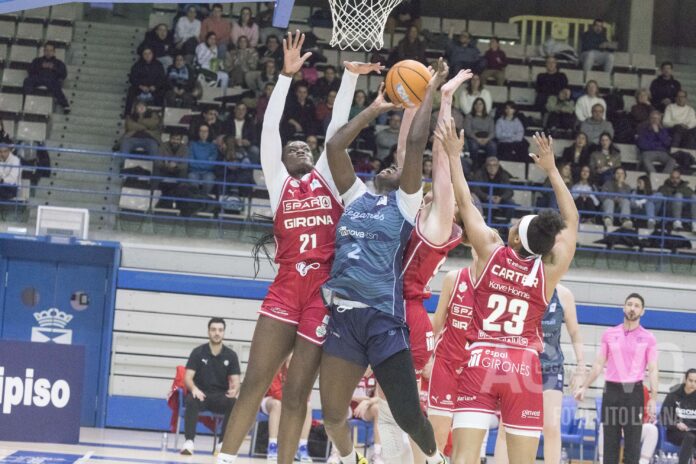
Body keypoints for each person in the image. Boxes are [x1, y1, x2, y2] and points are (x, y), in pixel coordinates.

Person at [215, 32, 379, 464]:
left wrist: (349, 78)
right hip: (286, 287)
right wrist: (286, 77)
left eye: (305, 145)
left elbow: (335, 130)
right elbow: (269, 129)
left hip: (322, 294)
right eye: (294, 147)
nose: (301, 146)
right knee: (254, 383)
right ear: (283, 160)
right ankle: (225, 458)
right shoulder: (278, 185)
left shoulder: (327, 177)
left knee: (296, 394)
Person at [318, 60, 450, 464]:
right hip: (344, 316)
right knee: (332, 414)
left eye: (399, 167)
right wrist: (375, 107)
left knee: (409, 416)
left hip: (382, 319)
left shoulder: (405, 204)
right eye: (387, 165)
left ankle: (435, 459)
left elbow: (416, 143)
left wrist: (429, 90)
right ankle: (349, 459)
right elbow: (334, 147)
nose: (394, 166)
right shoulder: (355, 196)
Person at [437, 122, 579, 464]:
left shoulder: (490, 251)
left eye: (515, 225)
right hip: (523, 366)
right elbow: (572, 220)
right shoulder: (547, 273)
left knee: (463, 457)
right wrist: (552, 170)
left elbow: (465, 202)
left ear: (514, 239)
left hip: (481, 358)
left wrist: (454, 156)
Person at [378, 69, 471, 464]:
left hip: (408, 313)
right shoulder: (417, 212)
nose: (435, 191)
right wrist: (412, 101)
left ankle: (429, 458)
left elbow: (441, 168)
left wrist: (445, 98)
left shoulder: (440, 225)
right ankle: (397, 459)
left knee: (401, 402)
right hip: (388, 305)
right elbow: (406, 152)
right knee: (385, 399)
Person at [493, 284, 586, 464]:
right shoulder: (520, 289)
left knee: (551, 426)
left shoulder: (563, 294)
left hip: (551, 366)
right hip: (520, 364)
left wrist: (581, 367)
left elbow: (575, 332)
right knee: (506, 426)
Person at [575, 293, 659, 464]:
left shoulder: (648, 338)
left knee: (632, 445)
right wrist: (584, 386)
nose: (632, 308)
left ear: (642, 311)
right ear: (623, 307)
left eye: (637, 306)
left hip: (634, 392)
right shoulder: (609, 333)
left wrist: (653, 397)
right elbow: (599, 364)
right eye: (629, 304)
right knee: (610, 443)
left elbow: (653, 368)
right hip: (611, 391)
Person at [180, 317, 240, 455]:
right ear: (208, 332)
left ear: (224, 332)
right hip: (201, 395)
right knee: (191, 400)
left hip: (220, 396)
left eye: (220, 330)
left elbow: (236, 380)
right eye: (213, 330)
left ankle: (222, 444)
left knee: (233, 402)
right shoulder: (197, 352)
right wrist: (194, 389)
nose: (217, 333)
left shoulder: (231, 355)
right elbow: (187, 377)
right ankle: (189, 442)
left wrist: (235, 389)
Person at [262, 357, 315, 463]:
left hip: (291, 403)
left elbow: (307, 395)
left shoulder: (303, 372)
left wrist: (295, 402)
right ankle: (273, 446)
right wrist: (293, 401)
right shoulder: (277, 368)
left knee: (308, 406)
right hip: (270, 400)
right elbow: (275, 392)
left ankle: (302, 447)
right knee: (277, 405)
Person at [327, 372, 383, 464]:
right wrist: (357, 399)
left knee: (377, 409)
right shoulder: (350, 368)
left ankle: (377, 454)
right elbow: (338, 393)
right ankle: (335, 453)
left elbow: (379, 398)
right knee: (336, 408)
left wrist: (367, 402)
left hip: (365, 409)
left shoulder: (376, 371)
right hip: (347, 406)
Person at [597, 385, 659, 464]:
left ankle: (643, 462)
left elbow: (645, 414)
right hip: (615, 427)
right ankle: (603, 460)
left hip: (635, 429)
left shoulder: (642, 389)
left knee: (652, 429)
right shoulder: (613, 387)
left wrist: (649, 417)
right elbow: (608, 415)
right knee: (604, 425)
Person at [661, 369, 696, 464]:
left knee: (692, 436)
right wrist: (677, 424)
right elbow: (664, 417)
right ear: (685, 379)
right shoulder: (673, 395)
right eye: (691, 380)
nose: (693, 384)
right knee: (690, 437)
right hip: (675, 431)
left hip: (693, 431)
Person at [23, 42, 69, 113]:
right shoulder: (37, 60)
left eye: (51, 50)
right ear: (44, 51)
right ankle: (27, 102)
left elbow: (64, 74)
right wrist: (40, 66)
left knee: (56, 85)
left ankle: (65, 105)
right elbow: (30, 70)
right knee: (27, 81)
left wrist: (54, 68)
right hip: (38, 78)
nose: (48, 52)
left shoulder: (59, 63)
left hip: (51, 79)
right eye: (46, 50)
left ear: (54, 52)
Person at [470, 156, 515, 224]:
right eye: (489, 165)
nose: (492, 168)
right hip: (484, 199)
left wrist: (501, 198)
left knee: (510, 203)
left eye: (495, 165)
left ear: (498, 166)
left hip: (499, 199)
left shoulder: (503, 174)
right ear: (486, 166)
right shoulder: (479, 174)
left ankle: (505, 225)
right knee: (476, 201)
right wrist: (487, 197)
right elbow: (475, 189)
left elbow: (509, 191)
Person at [125, 47, 166, 115]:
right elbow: (132, 78)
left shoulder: (158, 65)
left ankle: (158, 114)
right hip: (140, 88)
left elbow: (162, 78)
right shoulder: (137, 65)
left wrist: (155, 86)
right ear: (142, 55)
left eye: (149, 53)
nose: (147, 55)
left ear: (153, 54)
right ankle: (127, 114)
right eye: (145, 54)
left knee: (162, 92)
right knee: (131, 90)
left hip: (154, 88)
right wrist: (140, 86)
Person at [155, 132, 188, 206]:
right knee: (156, 169)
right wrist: (166, 165)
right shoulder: (163, 146)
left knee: (184, 171)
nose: (175, 141)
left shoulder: (184, 148)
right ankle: (154, 196)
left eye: (178, 139)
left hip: (177, 170)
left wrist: (176, 165)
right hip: (165, 169)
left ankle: (180, 200)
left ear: (181, 140)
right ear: (170, 138)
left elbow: (185, 165)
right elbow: (157, 162)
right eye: (173, 139)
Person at [188, 123, 219, 195]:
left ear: (209, 133)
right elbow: (191, 162)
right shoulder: (192, 144)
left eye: (206, 131)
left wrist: (198, 163)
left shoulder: (213, 146)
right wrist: (204, 164)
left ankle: (205, 199)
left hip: (208, 172)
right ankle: (194, 199)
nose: (203, 133)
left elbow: (211, 164)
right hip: (194, 171)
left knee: (209, 180)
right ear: (198, 132)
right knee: (192, 178)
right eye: (201, 131)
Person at [0, 135, 21, 201]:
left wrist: (2, 180)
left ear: (9, 151)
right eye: (0, 152)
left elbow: (12, 179)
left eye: (5, 151)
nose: (2, 154)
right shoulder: (0, 160)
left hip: (12, 188)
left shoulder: (15, 160)